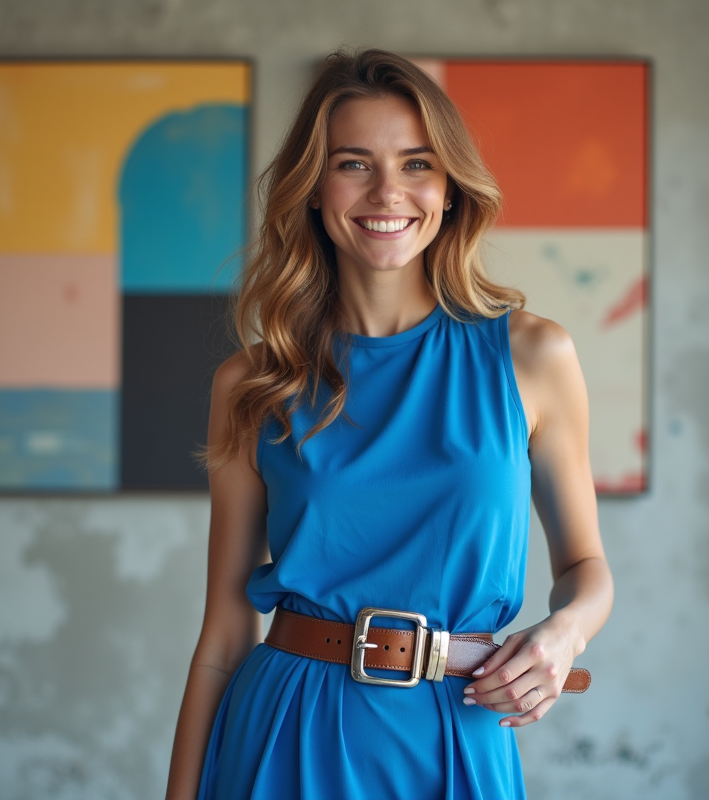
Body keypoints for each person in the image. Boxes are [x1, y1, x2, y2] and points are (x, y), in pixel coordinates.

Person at [166, 48, 613, 800]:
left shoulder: (534, 356)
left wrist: (563, 635)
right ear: (312, 189)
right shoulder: (253, 383)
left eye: (415, 164)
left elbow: (587, 571)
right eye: (352, 164)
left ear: (449, 187)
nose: (386, 192)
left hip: (458, 728)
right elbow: (223, 634)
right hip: (288, 730)